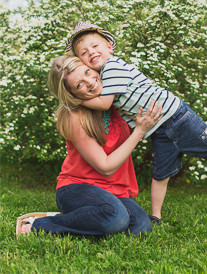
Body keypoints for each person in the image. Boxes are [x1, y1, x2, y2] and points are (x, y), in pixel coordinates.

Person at [68, 22, 207, 224]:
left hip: (176, 117)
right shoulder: (100, 78)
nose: (91, 52)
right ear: (81, 62)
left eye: (95, 46)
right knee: (161, 173)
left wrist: (74, 99)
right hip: (156, 129)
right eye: (83, 52)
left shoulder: (113, 67)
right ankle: (156, 216)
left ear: (109, 46)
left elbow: (104, 103)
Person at [16, 56, 161, 237]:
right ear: (71, 94)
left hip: (116, 191)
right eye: (79, 85)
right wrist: (140, 131)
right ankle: (40, 224)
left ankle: (82, 219)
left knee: (140, 229)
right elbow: (105, 167)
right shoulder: (74, 116)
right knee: (116, 218)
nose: (90, 83)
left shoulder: (117, 99)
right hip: (77, 188)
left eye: (87, 72)